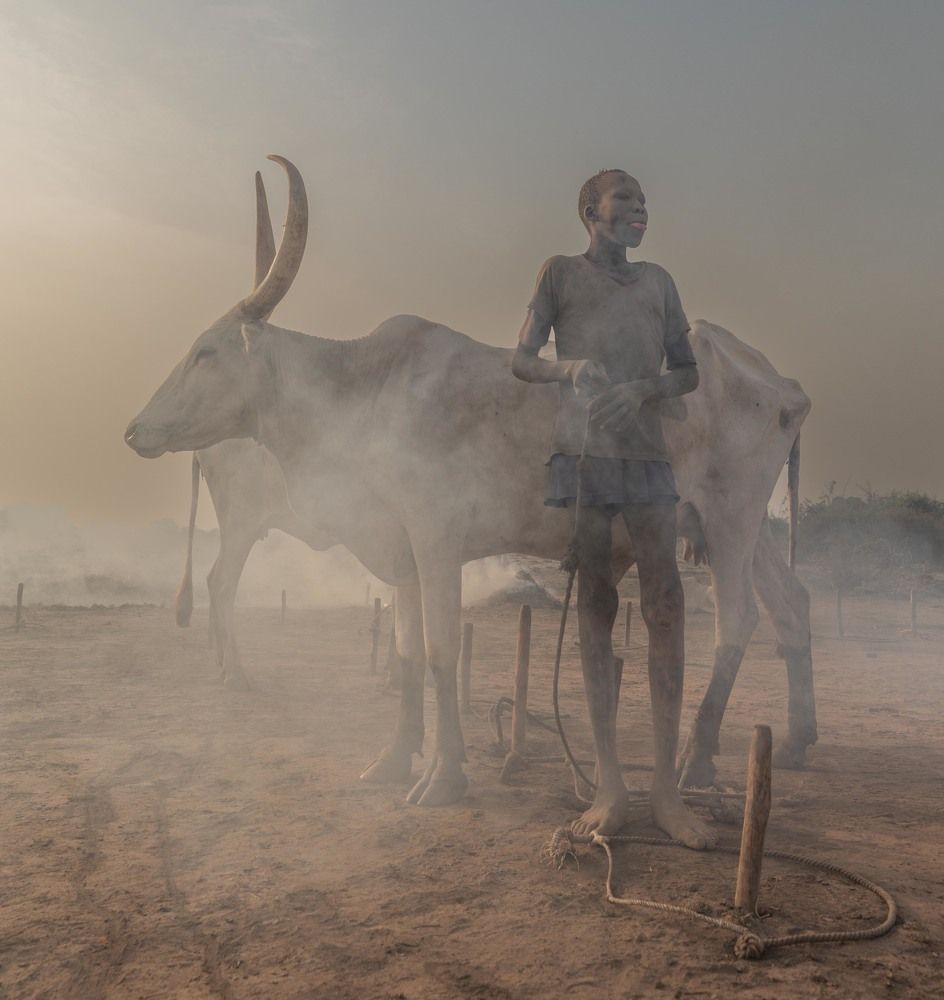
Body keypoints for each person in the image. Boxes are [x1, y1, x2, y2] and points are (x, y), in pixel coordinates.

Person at [511, 169, 714, 848]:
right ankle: (608, 784)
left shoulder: (658, 282)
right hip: (587, 455)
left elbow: (687, 372)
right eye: (626, 200)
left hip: (648, 457)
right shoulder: (560, 273)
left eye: (645, 203)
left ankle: (665, 791)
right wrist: (568, 370)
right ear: (590, 210)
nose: (640, 211)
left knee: (666, 603)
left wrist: (646, 390)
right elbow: (522, 358)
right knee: (596, 604)